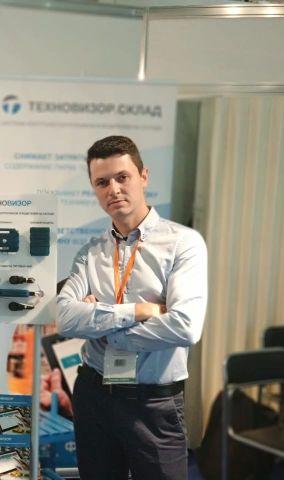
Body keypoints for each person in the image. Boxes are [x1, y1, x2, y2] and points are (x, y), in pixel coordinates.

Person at [56, 135, 207, 480]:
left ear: (143, 176)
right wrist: (139, 311)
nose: (113, 189)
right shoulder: (90, 253)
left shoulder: (183, 244)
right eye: (102, 182)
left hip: (153, 403)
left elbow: (185, 326)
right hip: (94, 396)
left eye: (122, 177)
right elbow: (64, 318)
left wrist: (102, 325)